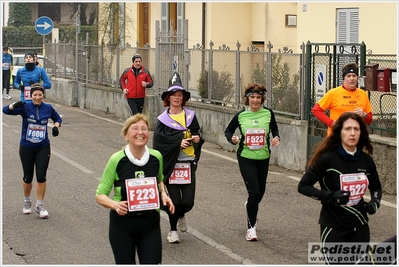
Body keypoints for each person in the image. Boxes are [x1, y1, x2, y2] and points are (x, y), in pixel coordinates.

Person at [297, 112, 382, 265]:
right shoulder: (327, 158)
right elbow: (303, 186)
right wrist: (330, 196)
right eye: (347, 129)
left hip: (360, 225)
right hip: (334, 227)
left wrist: (375, 202)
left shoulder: (366, 160)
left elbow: (376, 187)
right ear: (339, 132)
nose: (352, 133)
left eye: (356, 129)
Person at [95, 114, 175, 264]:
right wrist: (115, 205)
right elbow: (100, 195)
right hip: (123, 225)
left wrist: (163, 193)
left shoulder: (156, 156)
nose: (140, 132)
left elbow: (160, 180)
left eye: (144, 129)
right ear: (126, 135)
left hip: (150, 225)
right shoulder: (117, 159)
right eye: (135, 129)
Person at [224, 83, 280, 241]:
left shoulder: (268, 113)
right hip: (246, 157)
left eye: (258, 97)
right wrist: (232, 139)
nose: (255, 100)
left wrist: (276, 137)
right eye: (252, 97)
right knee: (254, 192)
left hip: (263, 157)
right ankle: (251, 228)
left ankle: (250, 206)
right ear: (247, 98)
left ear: (262, 99)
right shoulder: (241, 115)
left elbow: (275, 129)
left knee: (260, 192)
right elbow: (228, 130)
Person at [152, 72, 204, 243]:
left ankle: (182, 213)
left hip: (187, 164)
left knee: (187, 203)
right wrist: (177, 144)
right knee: (174, 201)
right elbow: (159, 144)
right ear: (168, 98)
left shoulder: (190, 116)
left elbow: (197, 135)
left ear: (183, 98)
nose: (176, 98)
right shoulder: (163, 120)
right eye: (173, 95)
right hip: (171, 166)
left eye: (179, 95)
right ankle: (173, 230)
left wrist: (196, 139)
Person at [2, 83, 62, 219]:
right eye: (35, 95)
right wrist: (14, 105)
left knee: (41, 176)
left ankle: (40, 205)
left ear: (43, 96)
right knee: (27, 177)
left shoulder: (48, 108)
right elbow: (5, 110)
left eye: (40, 95)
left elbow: (57, 118)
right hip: (26, 146)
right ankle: (27, 202)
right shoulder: (25, 106)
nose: (37, 97)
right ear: (31, 95)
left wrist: (56, 127)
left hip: (43, 146)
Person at [312, 63, 372, 136]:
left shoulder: (363, 94)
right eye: (348, 76)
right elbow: (316, 110)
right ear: (344, 78)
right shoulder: (333, 93)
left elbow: (369, 120)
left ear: (357, 78)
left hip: (356, 139)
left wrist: (364, 115)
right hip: (336, 139)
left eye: (354, 76)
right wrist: (331, 123)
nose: (352, 78)